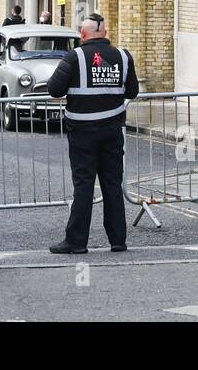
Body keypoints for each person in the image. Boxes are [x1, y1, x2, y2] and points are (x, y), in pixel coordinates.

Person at [45, 13, 140, 254]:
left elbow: (54, 90)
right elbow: (133, 91)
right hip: (112, 131)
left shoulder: (74, 56)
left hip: (82, 132)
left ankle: (76, 242)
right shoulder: (122, 56)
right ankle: (118, 240)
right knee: (112, 185)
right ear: (105, 34)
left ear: (83, 35)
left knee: (84, 186)